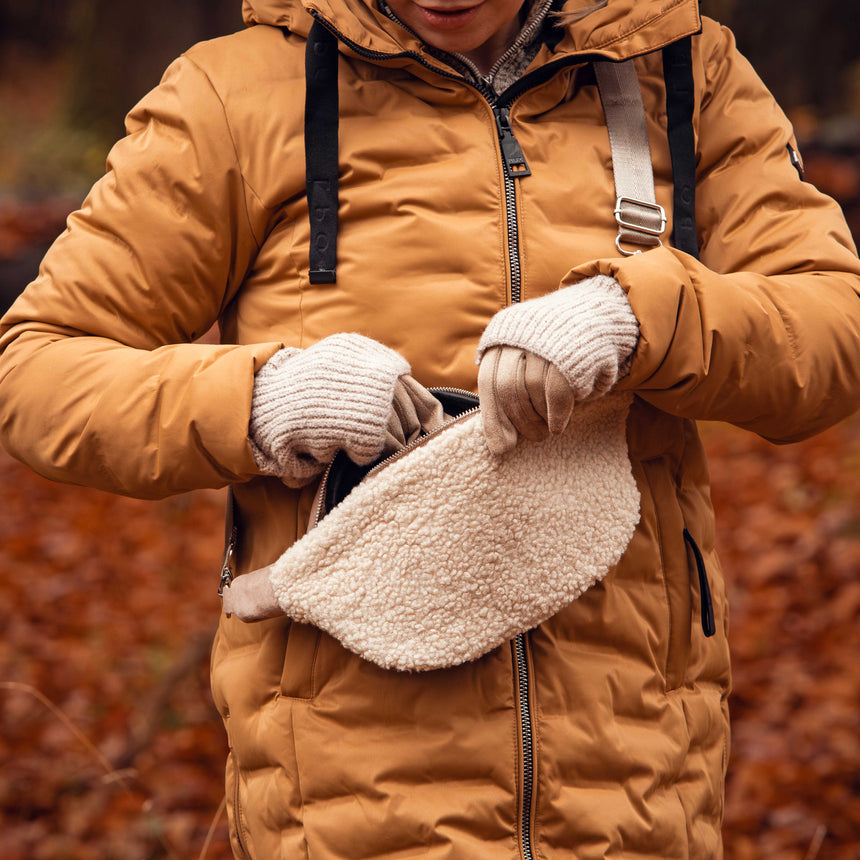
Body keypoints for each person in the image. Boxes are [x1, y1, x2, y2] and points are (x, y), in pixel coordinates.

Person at [1, 0, 859, 856]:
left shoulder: (684, 71)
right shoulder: (232, 96)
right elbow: (38, 370)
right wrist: (264, 400)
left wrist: (639, 317)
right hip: (344, 798)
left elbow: (831, 326)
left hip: (638, 784)